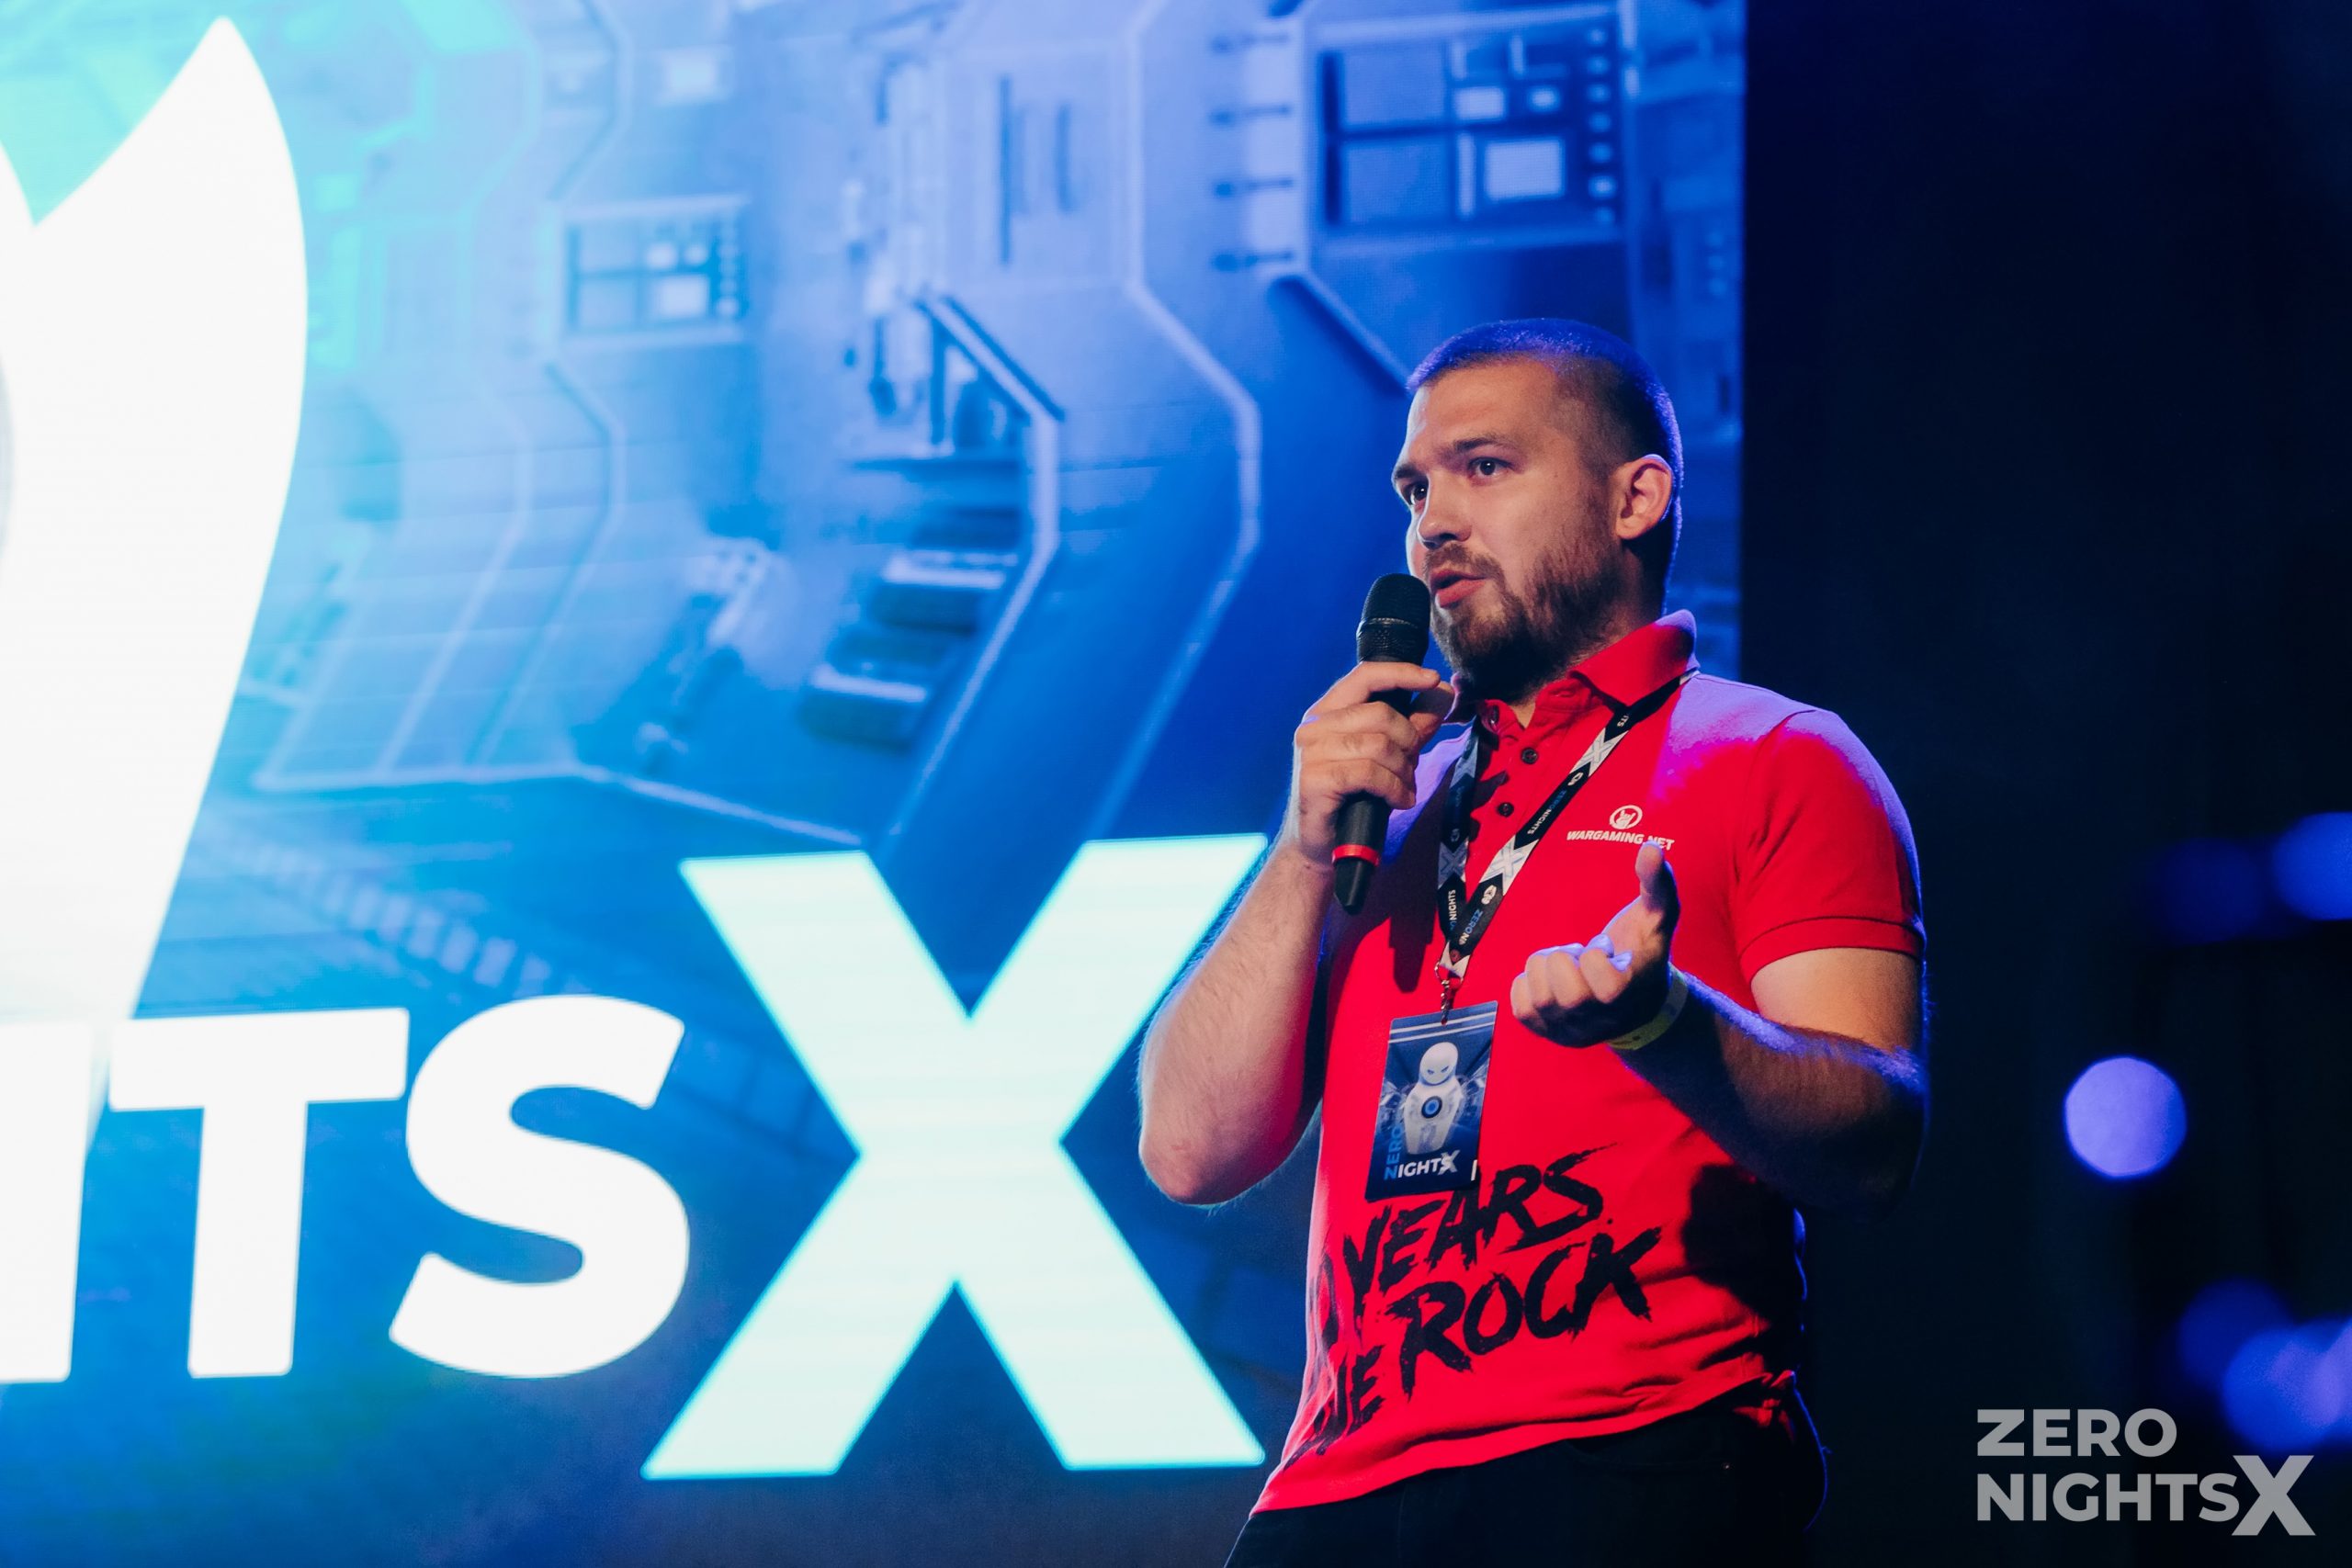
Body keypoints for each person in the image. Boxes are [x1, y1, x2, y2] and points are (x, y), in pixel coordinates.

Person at [1137, 319, 1928, 1567]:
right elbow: (1188, 1151)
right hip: (1330, 1494)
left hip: (1633, 1459)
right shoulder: (1387, 805)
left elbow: (1874, 1142)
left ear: (1635, 499)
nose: (1434, 524)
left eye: (1485, 468)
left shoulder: (1779, 758)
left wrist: (1665, 1022)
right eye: (1415, 489)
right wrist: (1300, 848)